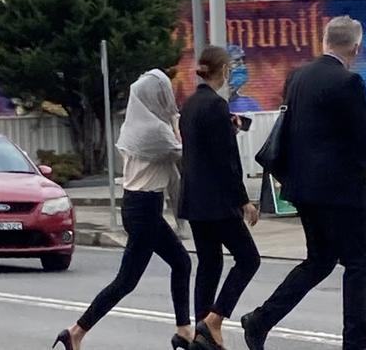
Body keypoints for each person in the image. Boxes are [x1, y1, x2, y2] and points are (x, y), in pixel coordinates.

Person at [240, 16, 366, 350]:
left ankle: (260, 320)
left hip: (304, 191)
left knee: (319, 261)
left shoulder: (299, 77)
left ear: (324, 41)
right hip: (340, 192)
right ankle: (355, 342)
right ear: (356, 47)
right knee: (359, 262)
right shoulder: (348, 82)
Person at [53, 70, 193, 350]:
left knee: (181, 263)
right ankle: (75, 331)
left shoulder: (137, 125)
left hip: (139, 206)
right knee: (126, 281)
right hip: (144, 208)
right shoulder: (154, 132)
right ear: (156, 97)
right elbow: (182, 152)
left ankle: (184, 330)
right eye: (164, 93)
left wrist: (174, 118)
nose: (169, 99)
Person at [179, 46, 261, 350]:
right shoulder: (216, 106)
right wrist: (244, 200)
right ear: (224, 71)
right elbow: (226, 160)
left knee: (209, 263)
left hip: (195, 199)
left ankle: (202, 331)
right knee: (249, 259)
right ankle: (214, 321)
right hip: (218, 201)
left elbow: (200, 150)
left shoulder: (189, 105)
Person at [227, 45, 262, 113]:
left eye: (243, 62)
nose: (242, 67)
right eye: (236, 62)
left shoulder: (250, 104)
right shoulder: (209, 104)